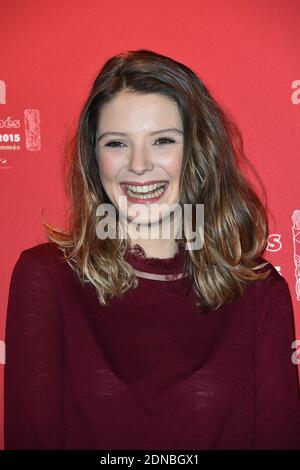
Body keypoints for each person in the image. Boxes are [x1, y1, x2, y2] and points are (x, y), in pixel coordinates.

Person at [4, 49, 300, 450]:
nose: (139, 165)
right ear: (94, 158)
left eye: (162, 141)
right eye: (117, 144)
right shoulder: (46, 279)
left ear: (196, 151)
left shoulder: (260, 292)